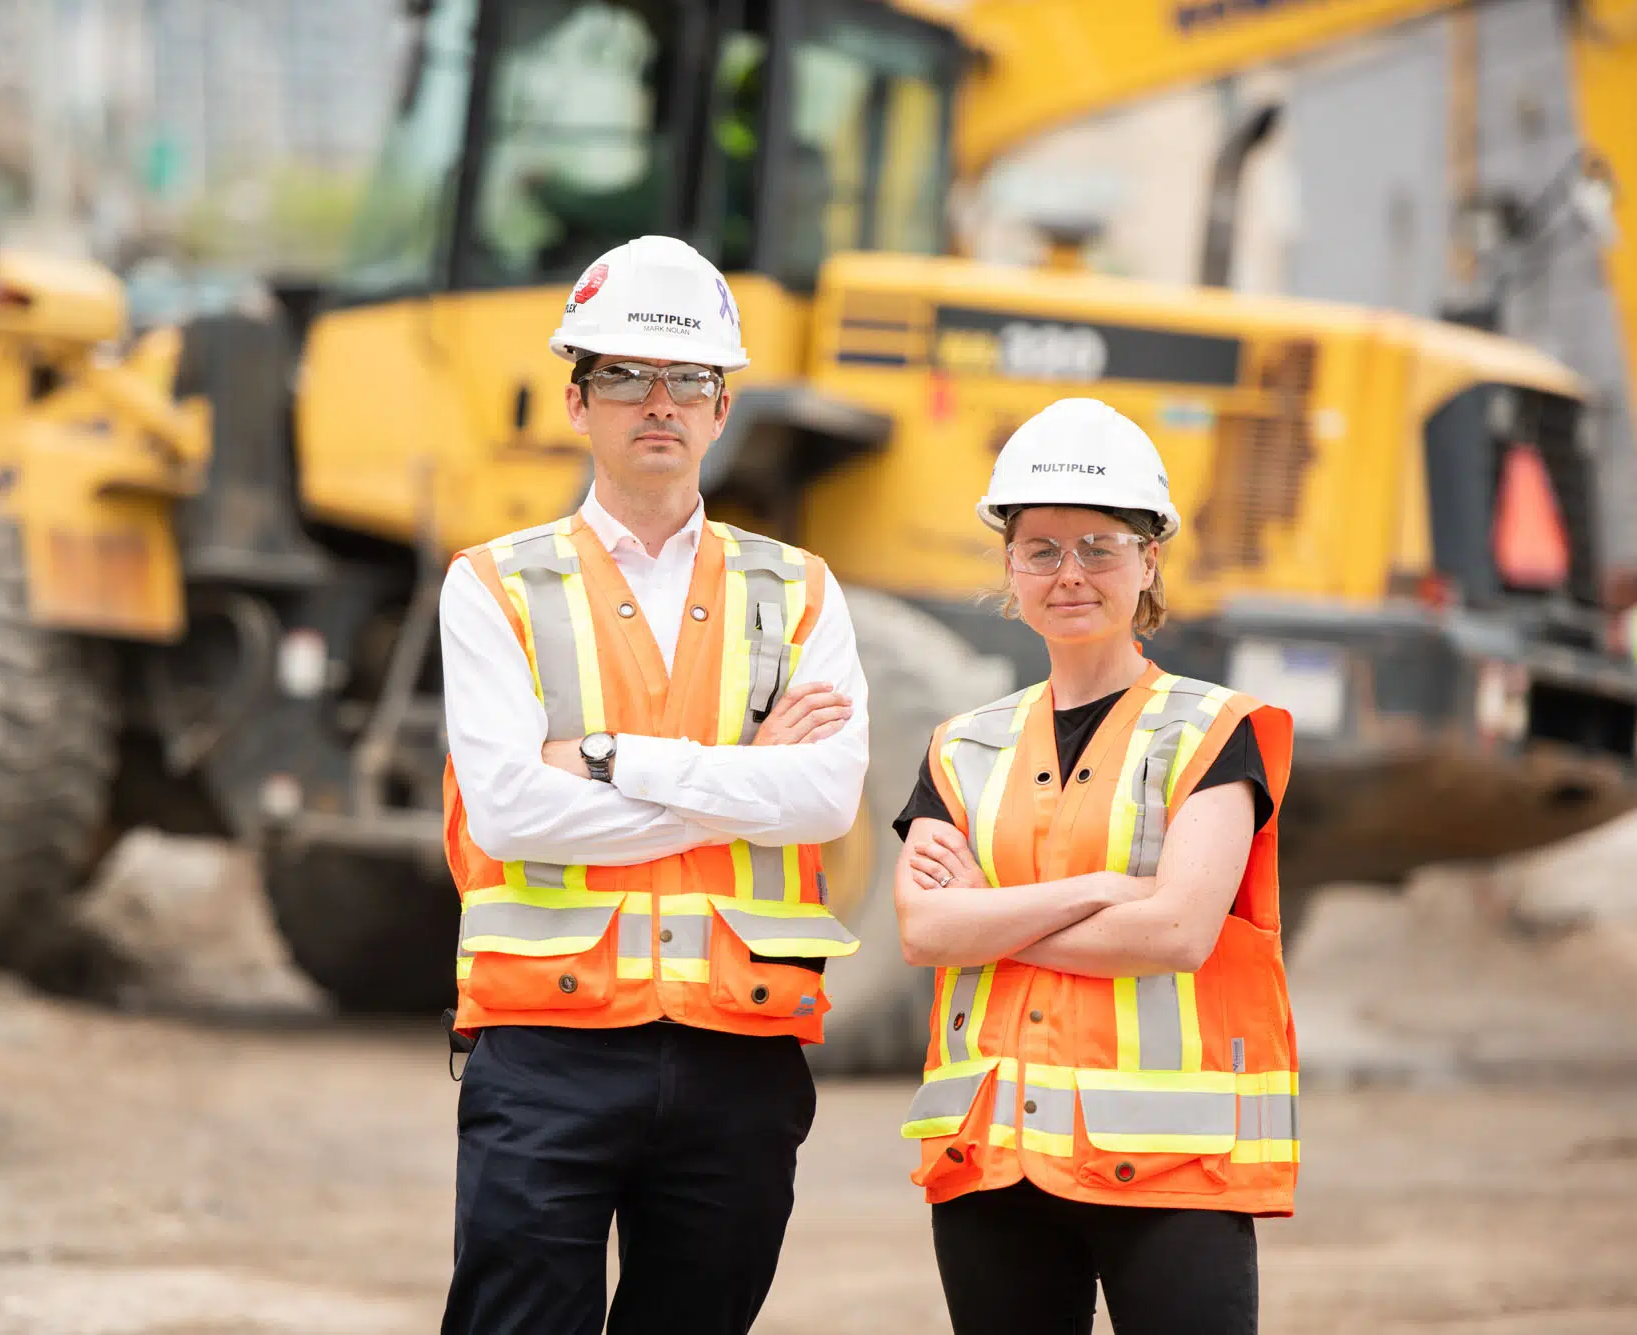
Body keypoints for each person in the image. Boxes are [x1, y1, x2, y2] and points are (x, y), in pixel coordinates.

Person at [436, 233, 871, 1335]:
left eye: (687, 380)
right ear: (577, 402)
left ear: (723, 409)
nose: (657, 402)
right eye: (624, 376)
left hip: (740, 1052)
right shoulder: (492, 586)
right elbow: (508, 810)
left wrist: (606, 757)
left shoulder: (800, 589)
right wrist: (741, 779)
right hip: (548, 1046)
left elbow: (823, 800)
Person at [890, 397, 1297, 1335]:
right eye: (1041, 549)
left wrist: (994, 913)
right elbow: (924, 929)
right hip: (995, 1165)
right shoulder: (962, 747)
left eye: (1100, 546)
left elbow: (1176, 931)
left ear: (1149, 559)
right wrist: (1097, 889)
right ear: (1011, 566)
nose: (1069, 573)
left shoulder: (1212, 730)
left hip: (1172, 1172)